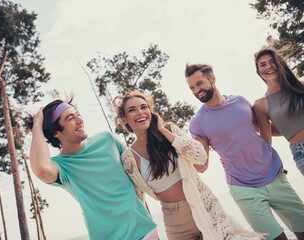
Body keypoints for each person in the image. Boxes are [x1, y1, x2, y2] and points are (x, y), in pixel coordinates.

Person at [114, 90, 263, 240]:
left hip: (204, 206)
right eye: (132, 110)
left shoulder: (169, 131)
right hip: (175, 223)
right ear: (124, 119)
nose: (140, 112)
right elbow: (139, 200)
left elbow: (200, 157)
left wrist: (163, 131)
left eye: (144, 107)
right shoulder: (128, 158)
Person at [185, 63, 304, 240]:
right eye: (192, 87)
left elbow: (266, 129)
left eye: (199, 83)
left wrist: (297, 133)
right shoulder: (198, 123)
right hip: (244, 189)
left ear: (212, 78)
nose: (197, 90)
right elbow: (201, 166)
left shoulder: (240, 101)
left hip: (275, 176)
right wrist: (178, 144)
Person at [28, 97, 158, 240]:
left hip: (145, 232)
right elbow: (41, 169)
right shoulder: (62, 166)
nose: (79, 120)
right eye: (71, 118)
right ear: (55, 132)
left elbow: (137, 175)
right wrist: (37, 125)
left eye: (78, 114)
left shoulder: (107, 139)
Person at [253, 45, 304, 176]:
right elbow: (266, 143)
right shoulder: (260, 105)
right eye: (262, 65)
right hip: (301, 152)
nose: (269, 66)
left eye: (272, 62)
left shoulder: (301, 86)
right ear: (258, 72)